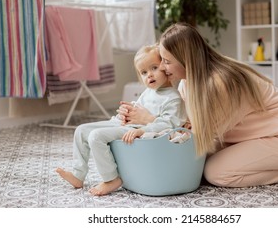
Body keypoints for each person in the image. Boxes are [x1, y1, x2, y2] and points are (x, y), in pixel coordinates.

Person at [118, 22, 278, 188]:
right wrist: (135, 116)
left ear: (185, 59)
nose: (162, 67)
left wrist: (150, 121)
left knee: (216, 173)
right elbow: (184, 125)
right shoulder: (187, 84)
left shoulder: (220, 82)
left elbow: (196, 136)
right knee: (197, 159)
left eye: (166, 61)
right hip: (256, 133)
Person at [56, 44, 187, 195]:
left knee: (96, 136)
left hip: (135, 128)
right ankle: (78, 174)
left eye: (154, 68)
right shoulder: (148, 92)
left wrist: (141, 130)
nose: (149, 75)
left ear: (165, 67)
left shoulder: (173, 97)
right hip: (124, 123)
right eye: (144, 72)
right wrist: (125, 112)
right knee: (81, 130)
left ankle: (111, 179)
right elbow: (137, 108)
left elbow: (168, 125)